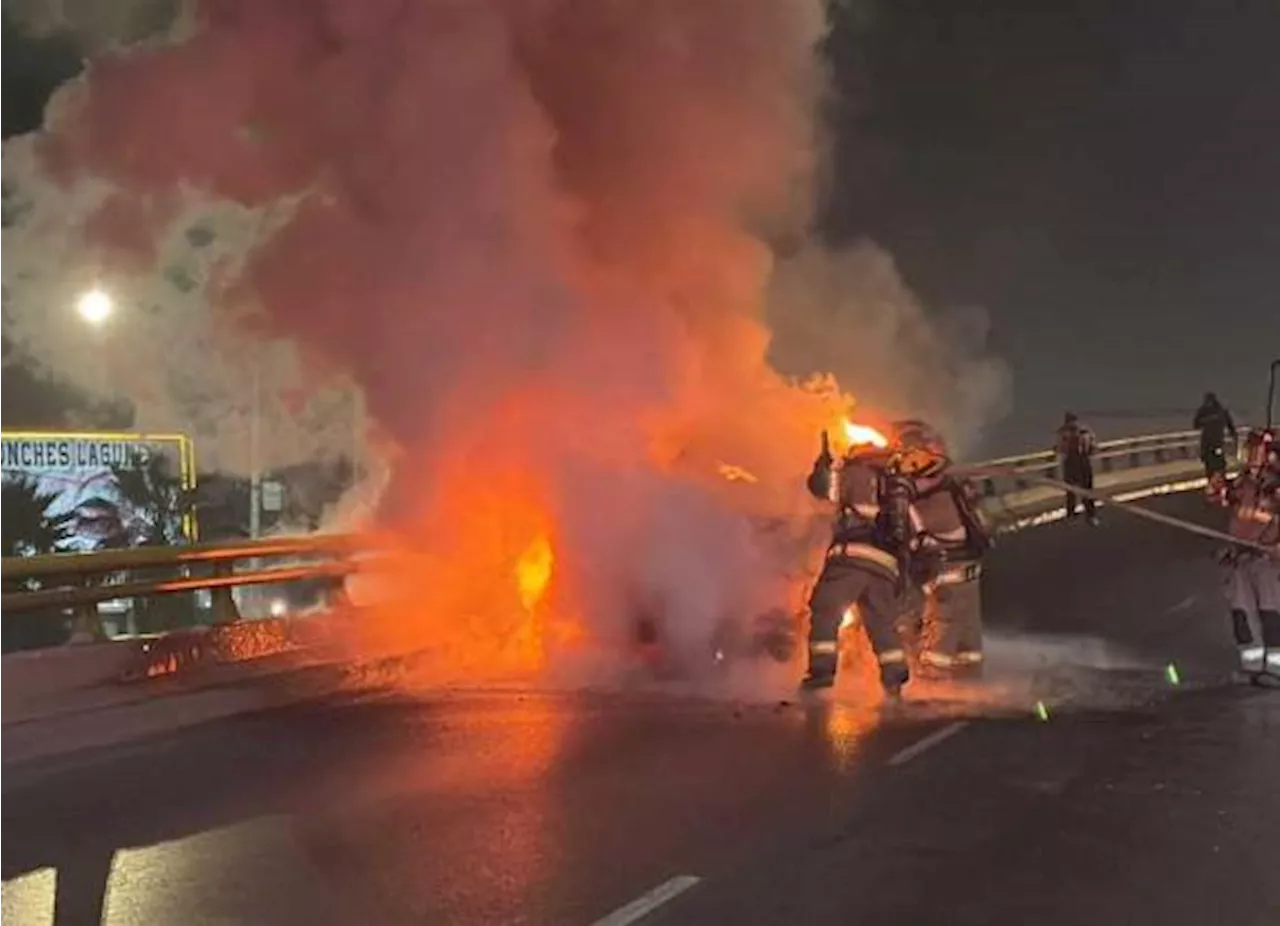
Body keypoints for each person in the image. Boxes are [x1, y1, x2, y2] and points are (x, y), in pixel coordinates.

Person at [803, 427, 923, 697]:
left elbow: (821, 489)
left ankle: (821, 673)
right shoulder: (899, 486)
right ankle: (894, 680)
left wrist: (822, 465)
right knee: (881, 623)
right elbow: (916, 531)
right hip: (885, 566)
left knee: (826, 610)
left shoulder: (853, 472)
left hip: (851, 557)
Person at [900, 421, 993, 678]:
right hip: (969, 573)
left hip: (945, 576)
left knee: (941, 636)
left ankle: (932, 691)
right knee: (968, 642)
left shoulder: (920, 491)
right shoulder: (954, 484)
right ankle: (970, 690)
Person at [1220, 428, 1280, 681]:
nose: (1250, 455)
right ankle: (1251, 668)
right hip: (1240, 558)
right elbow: (1222, 499)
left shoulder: (1275, 486)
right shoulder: (1241, 483)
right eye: (1248, 449)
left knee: (1271, 613)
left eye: (1256, 449)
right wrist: (1219, 487)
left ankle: (1276, 668)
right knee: (1242, 614)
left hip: (1269, 559)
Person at [1056, 412, 1098, 524]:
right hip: (1076, 462)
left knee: (1084, 489)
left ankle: (1088, 514)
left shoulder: (1081, 433)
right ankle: (1076, 514)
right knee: (1073, 490)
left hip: (1078, 461)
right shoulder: (1065, 433)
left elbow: (1060, 449)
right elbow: (1094, 448)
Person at [1194, 391, 1237, 494]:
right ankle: (1213, 484)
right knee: (1210, 463)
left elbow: (1230, 425)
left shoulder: (1220, 411)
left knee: (1218, 463)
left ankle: (1220, 483)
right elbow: (1196, 424)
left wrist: (1234, 435)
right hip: (1209, 443)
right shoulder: (1203, 411)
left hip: (1215, 442)